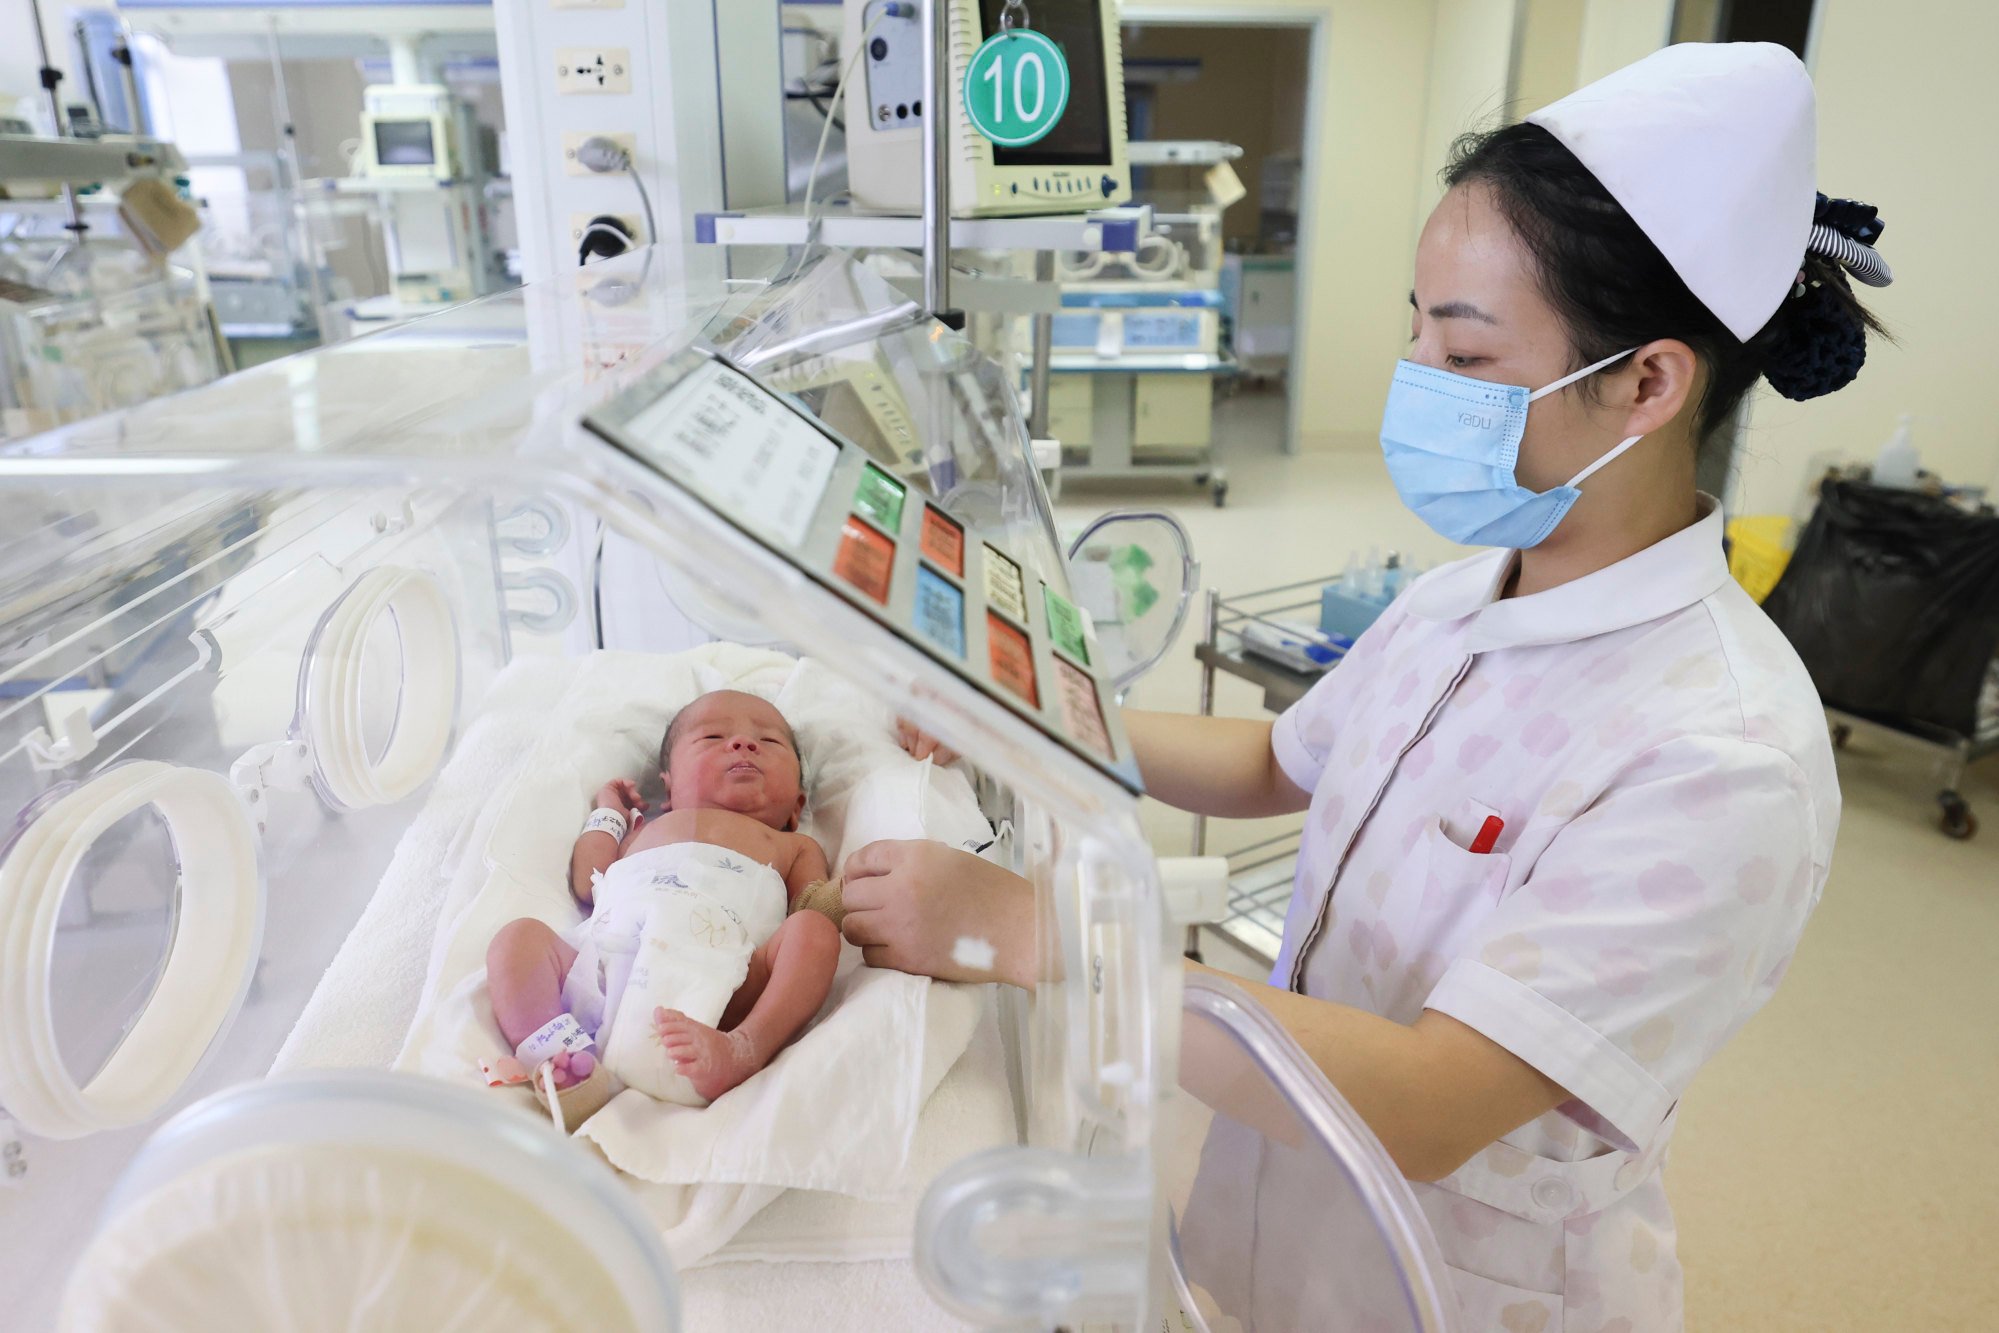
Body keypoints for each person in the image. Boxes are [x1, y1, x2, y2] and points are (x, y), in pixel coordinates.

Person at [837, 42, 1892, 1331]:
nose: (1413, 383)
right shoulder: (1463, 596)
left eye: (1464, 355)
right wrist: (1022, 703)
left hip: (1460, 1283)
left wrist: (1030, 933)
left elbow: (1433, 1098)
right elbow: (1274, 763)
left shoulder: (1719, 752)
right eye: (1414, 329)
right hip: (1285, 1193)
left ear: (1645, 383)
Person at [486, 690, 840, 1129]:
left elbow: (815, 907)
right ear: (668, 789)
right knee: (516, 941)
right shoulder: (644, 829)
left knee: (815, 934)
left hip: (726, 976)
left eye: (768, 742)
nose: (743, 744)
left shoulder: (794, 844)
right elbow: (588, 878)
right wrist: (609, 812)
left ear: (797, 807)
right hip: (607, 963)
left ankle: (744, 1048)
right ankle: (560, 1056)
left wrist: (846, 895)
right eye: (713, 737)